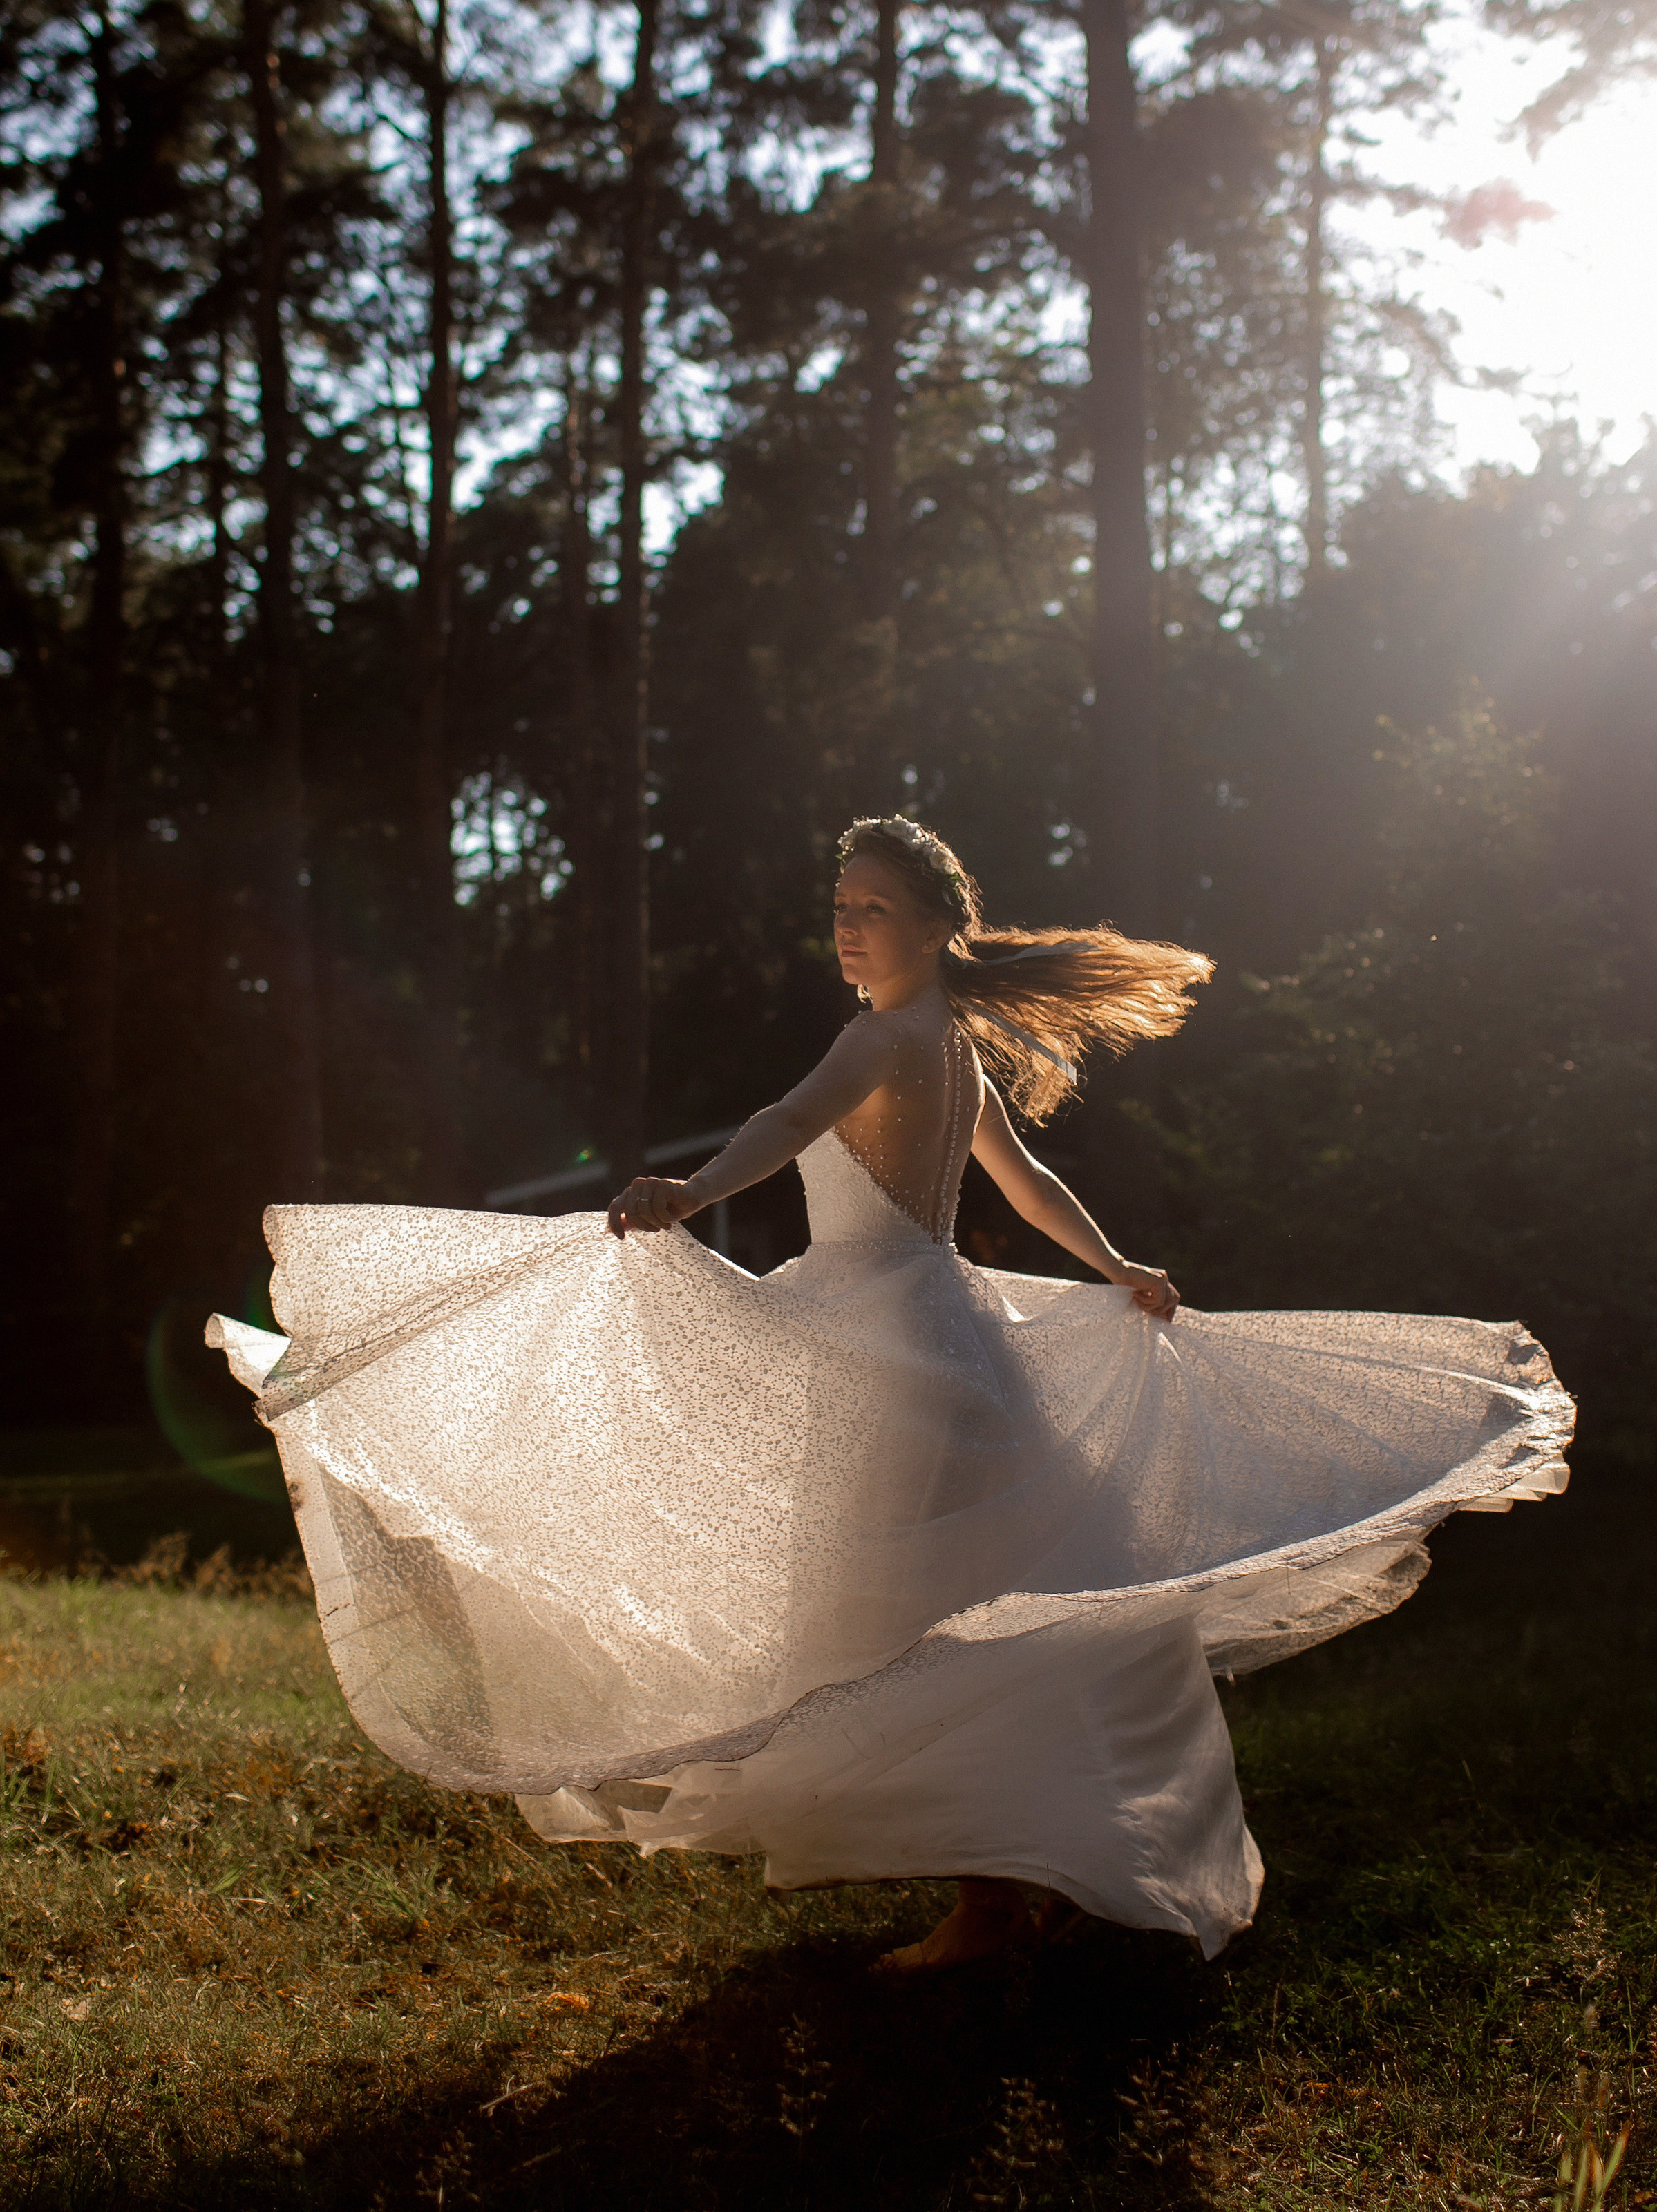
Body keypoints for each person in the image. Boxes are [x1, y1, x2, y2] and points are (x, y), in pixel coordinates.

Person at [209, 814, 1573, 1976]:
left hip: (888, 1349)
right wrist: (1112, 1262)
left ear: (932, 923)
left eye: (873, 911)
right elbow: (1023, 1186)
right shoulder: (948, 1040)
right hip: (938, 1332)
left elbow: (785, 1127)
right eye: (840, 910)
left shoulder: (882, 1044)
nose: (848, 932)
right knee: (972, 1611)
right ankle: (1012, 1877)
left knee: (916, 1616)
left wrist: (687, 1191)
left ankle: (993, 1890)